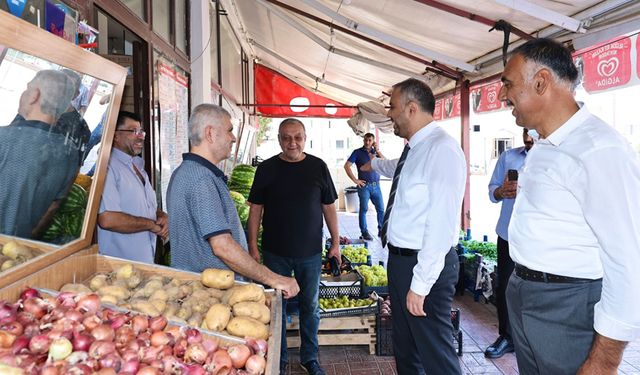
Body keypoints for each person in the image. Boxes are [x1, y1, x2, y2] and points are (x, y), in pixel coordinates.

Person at [501, 38, 640, 374]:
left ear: (540, 82)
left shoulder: (598, 150)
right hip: (525, 292)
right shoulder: (545, 144)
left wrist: (604, 359)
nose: (504, 96)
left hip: (567, 305)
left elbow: (628, 260)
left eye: (508, 84)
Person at [363, 78, 466, 374]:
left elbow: (442, 225)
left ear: (411, 108)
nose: (389, 115)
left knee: (435, 354)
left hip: (424, 265)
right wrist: (375, 165)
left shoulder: (442, 150)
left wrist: (420, 285)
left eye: (392, 108)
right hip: (399, 262)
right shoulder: (415, 150)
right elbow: (397, 169)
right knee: (406, 351)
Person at [166, 104, 299, 295]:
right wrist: (274, 279)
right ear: (210, 133)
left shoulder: (184, 172)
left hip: (198, 291)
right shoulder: (201, 180)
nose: (234, 138)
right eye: (229, 131)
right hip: (210, 295)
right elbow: (222, 246)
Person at [247, 118, 341, 375]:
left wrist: (335, 243)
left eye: (297, 137)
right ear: (279, 139)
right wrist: (252, 247)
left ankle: (309, 358)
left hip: (310, 253)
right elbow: (255, 209)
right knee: (275, 307)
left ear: (305, 138)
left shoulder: (318, 167)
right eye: (287, 137)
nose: (292, 142)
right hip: (274, 253)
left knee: (310, 307)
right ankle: (279, 357)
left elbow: (329, 206)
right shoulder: (266, 169)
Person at [0, 69, 77, 238]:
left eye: (27, 89)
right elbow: (53, 207)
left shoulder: (4, 138)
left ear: (34, 95)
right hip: (18, 249)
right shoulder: (70, 153)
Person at [484, 127, 533, 359]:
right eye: (524, 132)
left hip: (538, 240)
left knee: (534, 290)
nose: (527, 137)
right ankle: (507, 337)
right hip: (507, 235)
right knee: (504, 286)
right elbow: (492, 191)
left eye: (531, 133)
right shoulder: (509, 156)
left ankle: (531, 341)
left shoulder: (553, 157)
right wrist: (501, 192)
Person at [97, 111, 167, 263]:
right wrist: (150, 225)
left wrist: (160, 215)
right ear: (115, 135)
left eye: (141, 131)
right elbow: (108, 219)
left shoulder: (138, 167)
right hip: (118, 268)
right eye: (133, 131)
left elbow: (140, 207)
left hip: (143, 263)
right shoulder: (108, 167)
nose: (141, 136)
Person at [343, 132, 385, 240]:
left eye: (370, 140)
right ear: (363, 140)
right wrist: (355, 180)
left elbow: (385, 162)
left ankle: (381, 230)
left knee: (381, 209)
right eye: (366, 140)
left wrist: (378, 150)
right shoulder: (357, 152)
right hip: (364, 186)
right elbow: (347, 166)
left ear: (373, 141)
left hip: (376, 186)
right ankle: (364, 232)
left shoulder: (376, 153)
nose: (367, 142)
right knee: (364, 209)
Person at [58, 69, 91, 166]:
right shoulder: (34, 109)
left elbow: (74, 166)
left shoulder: (81, 130)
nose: (61, 90)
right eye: (58, 84)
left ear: (76, 94)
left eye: (68, 87)